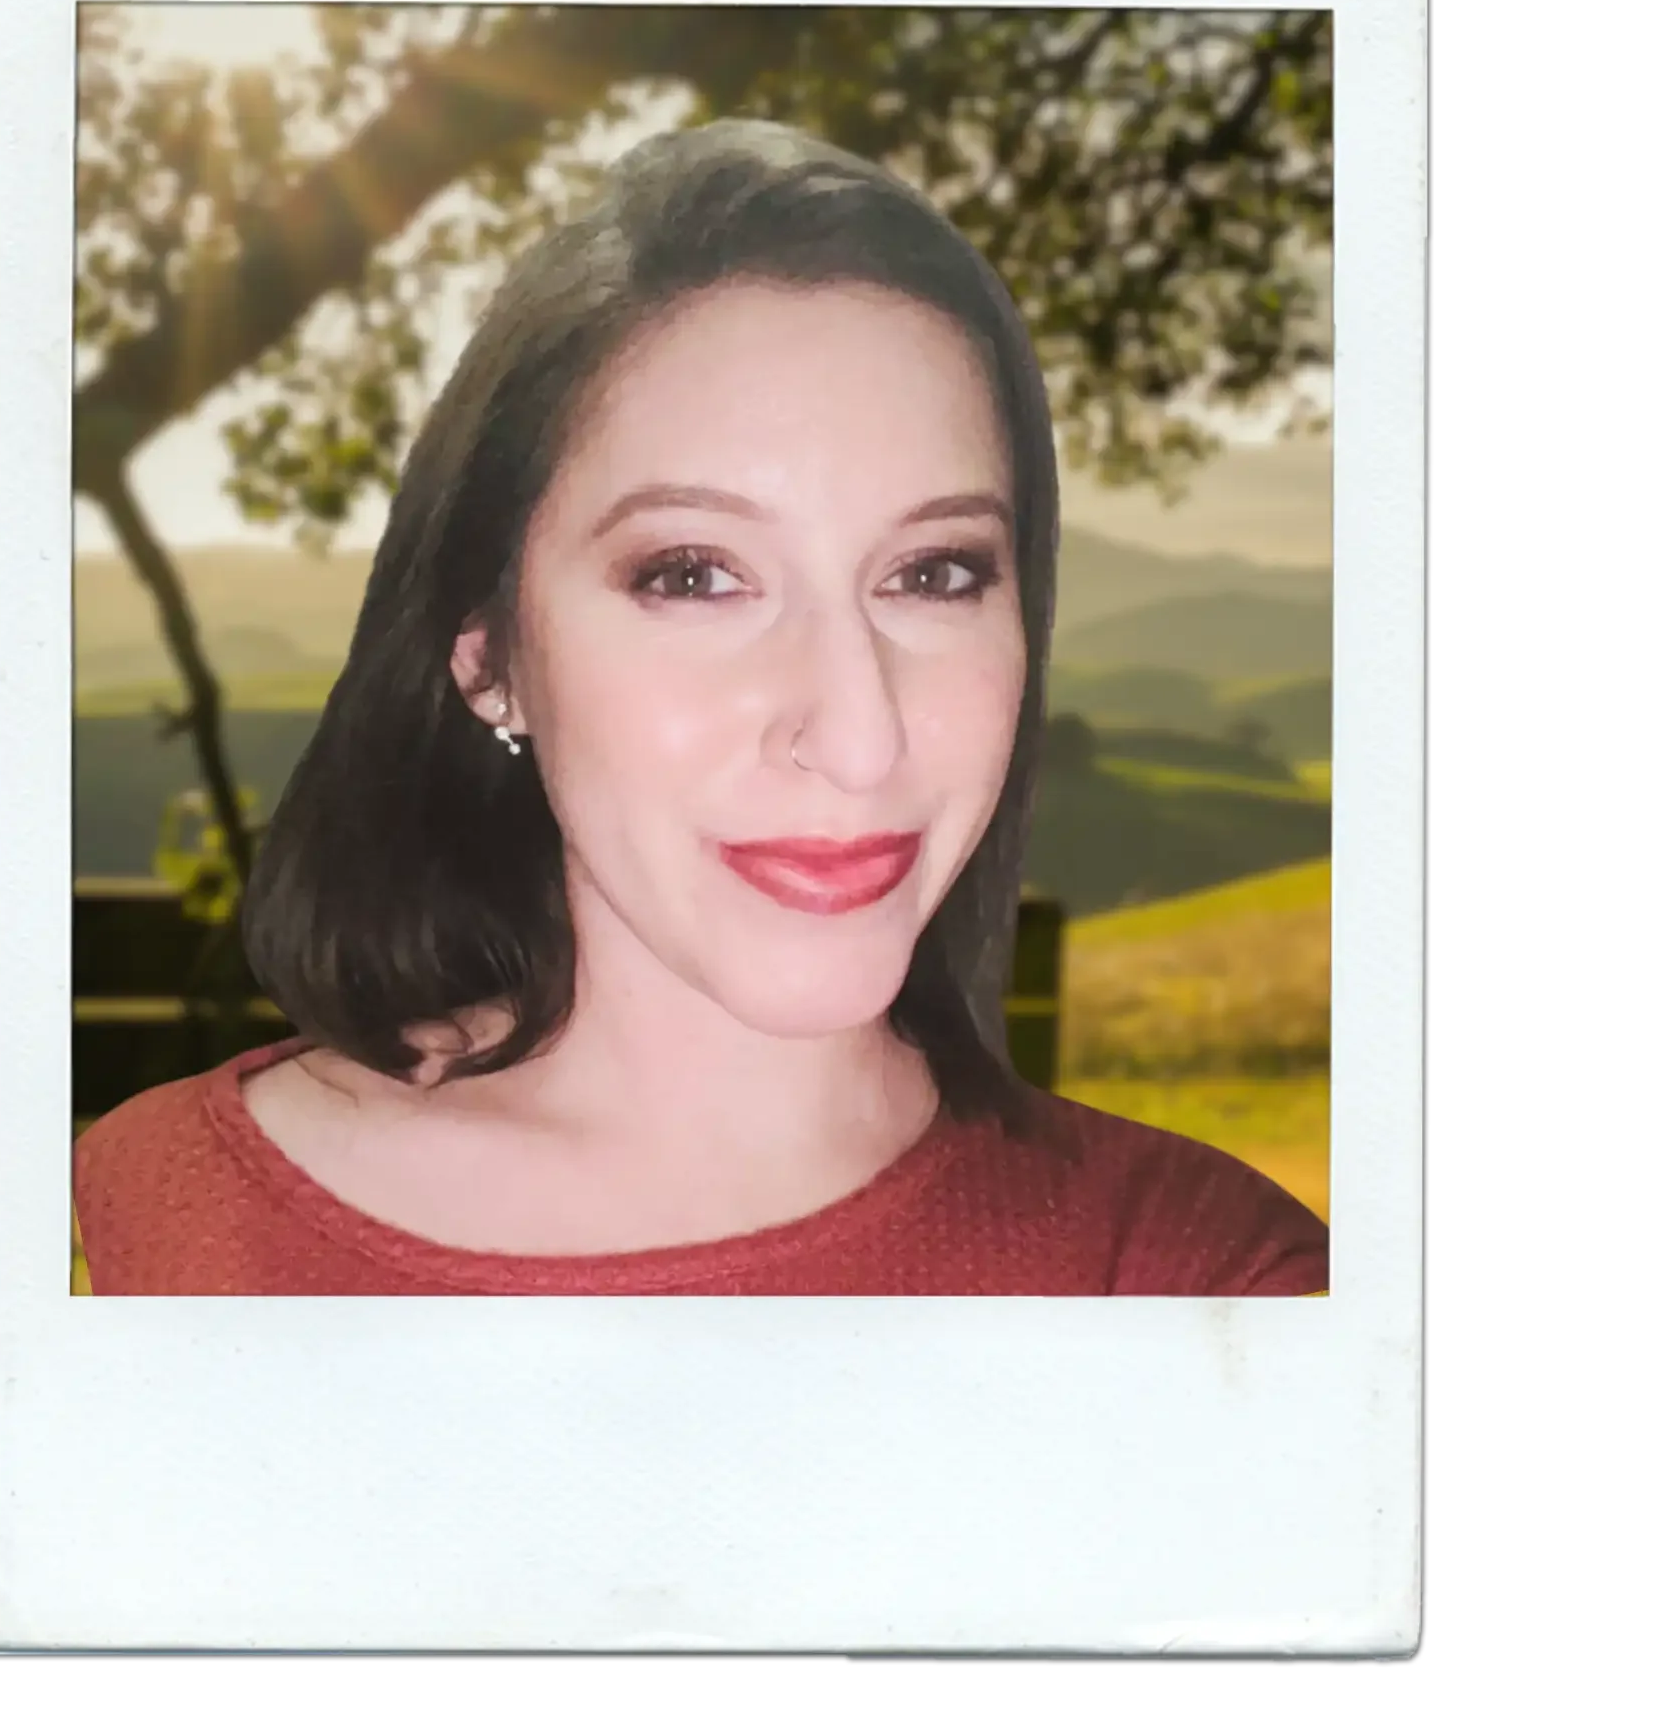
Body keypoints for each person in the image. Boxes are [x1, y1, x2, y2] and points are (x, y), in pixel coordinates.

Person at [72, 118, 1329, 1297]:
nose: (858, 731)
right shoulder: (134, 1231)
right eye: (693, 575)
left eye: (935, 572)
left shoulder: (1206, 1282)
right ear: (488, 655)